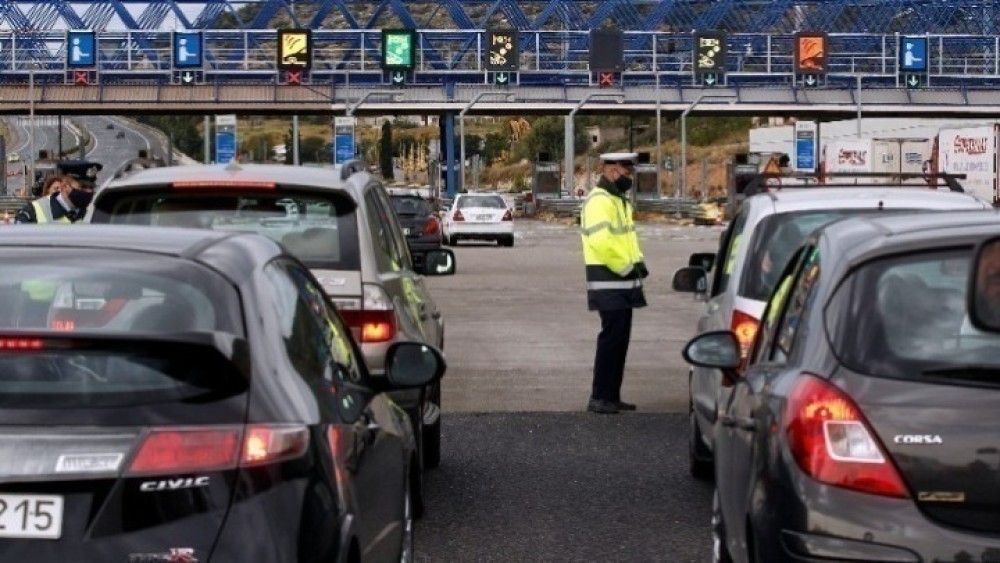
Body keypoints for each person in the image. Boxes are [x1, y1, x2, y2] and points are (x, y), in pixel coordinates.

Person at [579, 152, 648, 414]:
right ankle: (599, 396)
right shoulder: (600, 201)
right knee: (611, 339)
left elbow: (625, 239)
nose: (630, 177)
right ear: (612, 171)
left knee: (619, 340)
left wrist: (637, 264)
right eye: (627, 172)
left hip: (622, 282)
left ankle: (611, 395)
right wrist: (626, 267)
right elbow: (602, 242)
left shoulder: (616, 200)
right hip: (609, 280)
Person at [14, 175, 92, 224]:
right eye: (82, 187)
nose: (88, 192)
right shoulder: (31, 212)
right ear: (65, 186)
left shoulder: (92, 212)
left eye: (91, 188)